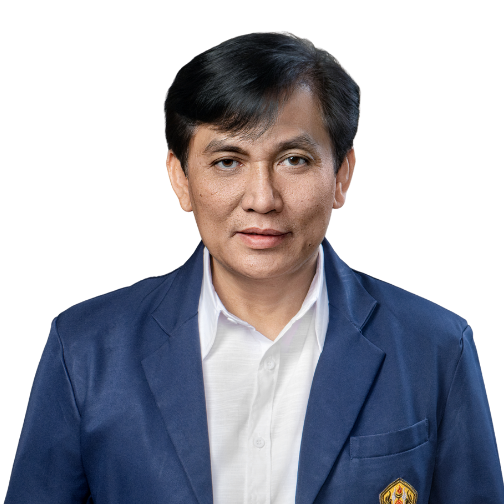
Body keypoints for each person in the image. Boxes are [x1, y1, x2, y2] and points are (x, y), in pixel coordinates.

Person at [5, 31, 503, 504]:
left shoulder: (437, 346)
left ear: (342, 175)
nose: (262, 200)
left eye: (294, 160)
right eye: (228, 161)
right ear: (180, 179)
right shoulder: (85, 348)